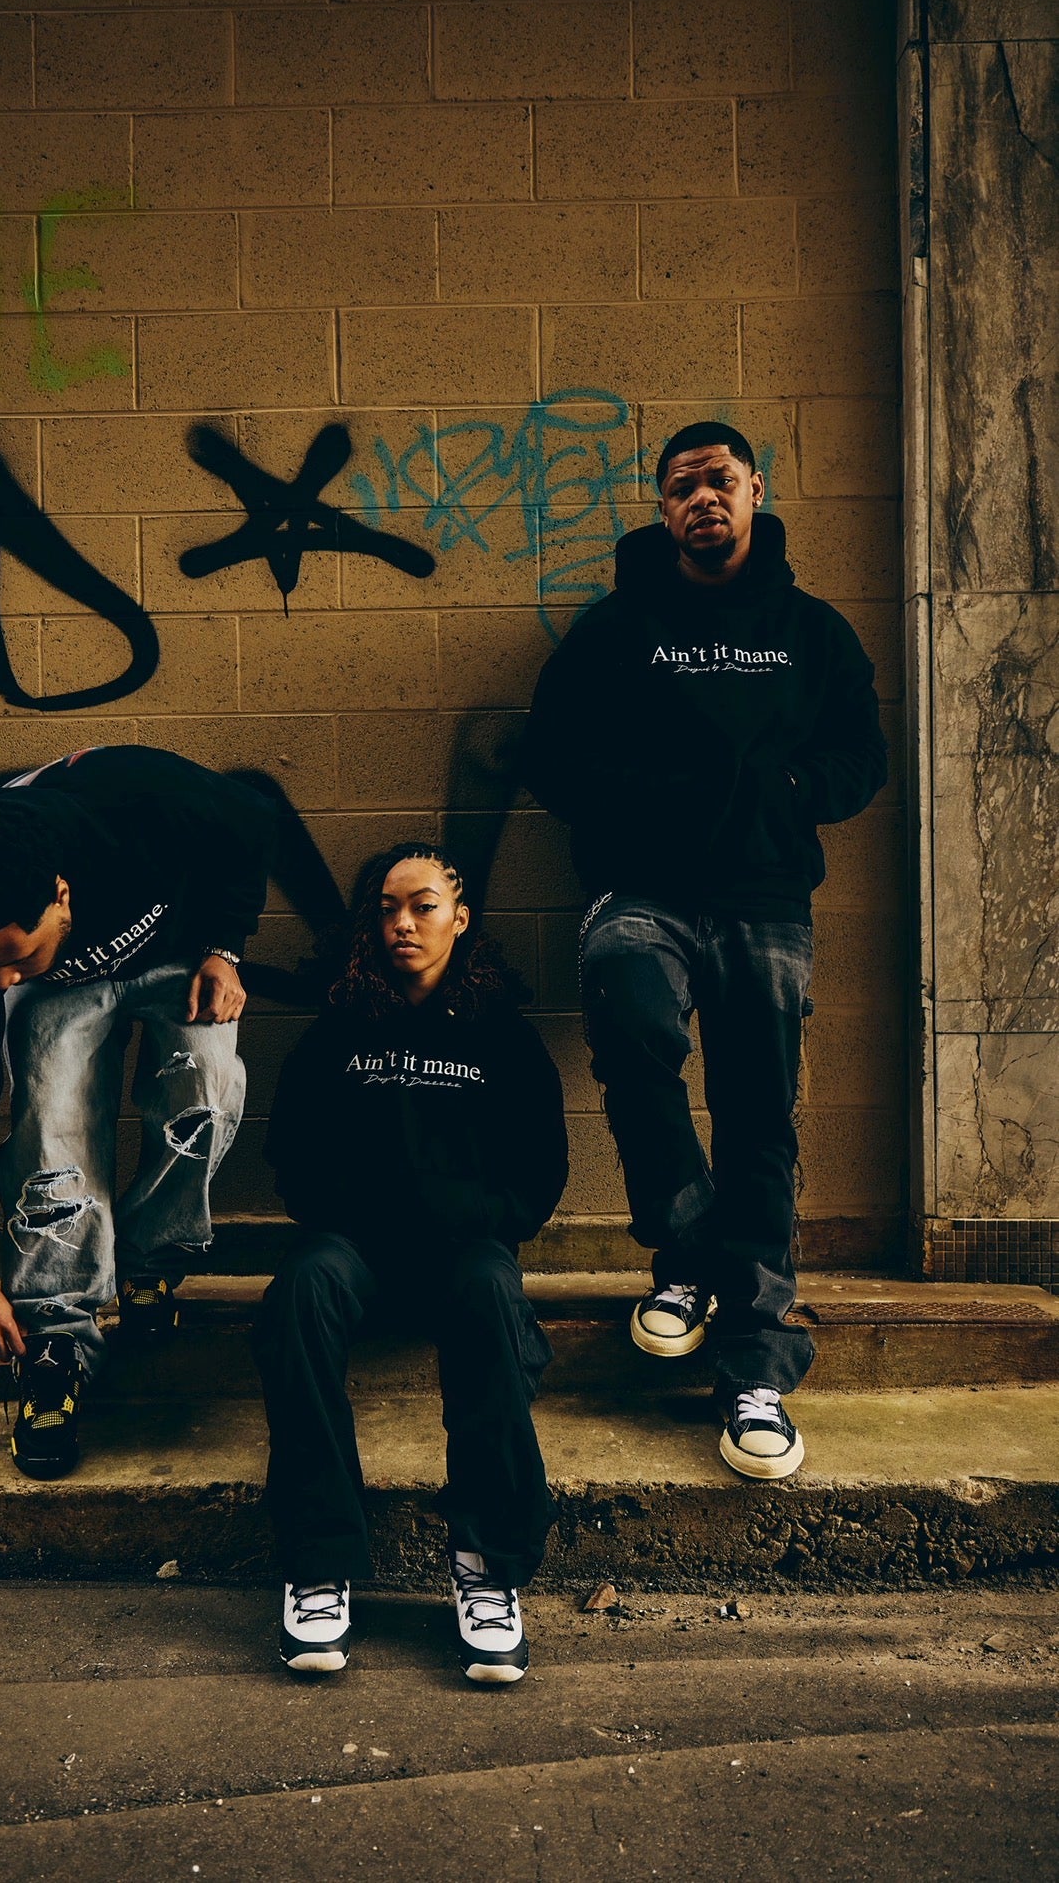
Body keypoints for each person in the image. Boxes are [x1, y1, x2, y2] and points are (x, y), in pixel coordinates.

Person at [521, 421, 887, 1481]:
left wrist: (787, 792)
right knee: (631, 1016)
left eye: (719, 480)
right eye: (682, 486)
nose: (702, 499)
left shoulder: (811, 632)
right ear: (663, 508)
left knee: (759, 1114)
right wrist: (649, 806)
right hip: (643, 888)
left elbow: (860, 755)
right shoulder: (614, 630)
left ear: (756, 489)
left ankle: (754, 1364)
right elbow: (552, 754)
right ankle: (686, 1246)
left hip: (765, 896)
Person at [254, 841, 568, 1682]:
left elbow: (539, 1175)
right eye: (388, 908)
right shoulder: (339, 1030)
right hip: (356, 1252)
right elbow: (292, 1157)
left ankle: (486, 1568)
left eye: (423, 906)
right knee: (301, 1288)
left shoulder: (504, 1038)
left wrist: (460, 1217)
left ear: (460, 919)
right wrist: (362, 1212)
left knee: (495, 1293)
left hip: (464, 1256)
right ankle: (319, 1564)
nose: (403, 923)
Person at [0, 744, 275, 1480]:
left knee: (204, 1090)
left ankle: (150, 1262)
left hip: (175, 954)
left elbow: (249, 821)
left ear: (61, 894)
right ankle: (58, 1338)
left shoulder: (141, 797)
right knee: (51, 1127)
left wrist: (225, 947)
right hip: (65, 991)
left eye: (16, 957)